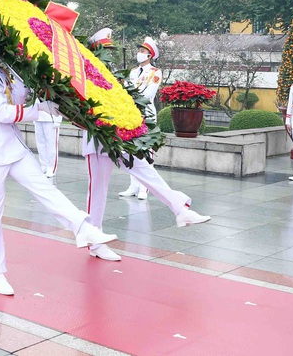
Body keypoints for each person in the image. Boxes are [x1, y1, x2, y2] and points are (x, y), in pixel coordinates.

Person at [0, 16, 116, 296]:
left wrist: (38, 81)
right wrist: (39, 110)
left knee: (46, 189)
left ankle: (83, 228)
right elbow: (3, 113)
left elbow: (21, 95)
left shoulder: (2, 71)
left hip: (13, 146)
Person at [82, 29, 210, 262]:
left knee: (145, 168)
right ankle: (95, 241)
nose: (109, 55)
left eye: (110, 50)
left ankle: (180, 209)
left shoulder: (113, 74)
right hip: (98, 137)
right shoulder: (86, 73)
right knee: (98, 191)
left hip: (122, 134)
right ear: (95, 51)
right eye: (105, 50)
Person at [119, 36, 163, 200]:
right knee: (132, 149)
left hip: (146, 114)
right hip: (132, 114)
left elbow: (148, 93)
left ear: (150, 55)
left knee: (146, 150)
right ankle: (133, 185)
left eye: (143, 51)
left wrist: (132, 98)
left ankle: (145, 187)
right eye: (139, 50)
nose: (139, 53)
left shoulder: (155, 72)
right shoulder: (132, 72)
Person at [34, 110, 62, 178]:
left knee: (51, 144)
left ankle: (51, 168)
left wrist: (57, 119)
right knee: (40, 144)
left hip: (51, 117)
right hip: (38, 116)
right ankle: (43, 166)